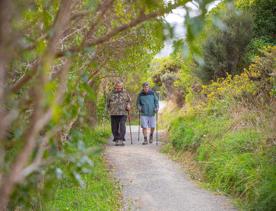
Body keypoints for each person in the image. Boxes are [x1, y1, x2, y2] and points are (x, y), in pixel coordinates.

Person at [107, 80, 131, 146]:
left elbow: (129, 100)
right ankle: (116, 139)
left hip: (123, 112)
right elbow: (108, 103)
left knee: (122, 125)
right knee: (114, 127)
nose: (119, 87)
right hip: (113, 113)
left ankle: (121, 139)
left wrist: (128, 105)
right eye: (117, 86)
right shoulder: (111, 93)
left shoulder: (125, 93)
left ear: (122, 86)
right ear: (115, 86)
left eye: (120, 86)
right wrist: (108, 110)